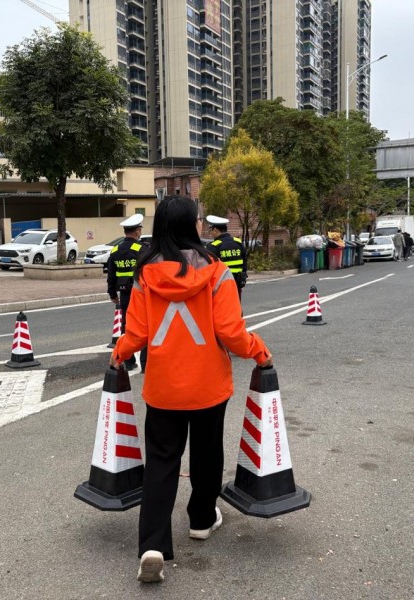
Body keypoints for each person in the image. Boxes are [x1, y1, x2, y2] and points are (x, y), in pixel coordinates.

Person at [109, 196, 273, 584]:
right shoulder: (217, 272)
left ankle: (152, 545)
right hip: (208, 387)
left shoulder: (145, 273)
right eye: (199, 219)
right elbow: (231, 333)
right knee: (206, 453)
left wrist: (119, 355)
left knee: (161, 462)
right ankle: (201, 519)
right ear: (192, 225)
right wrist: (260, 352)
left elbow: (137, 333)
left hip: (163, 387)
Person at [107, 213, 146, 370]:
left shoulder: (115, 250)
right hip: (141, 295)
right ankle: (145, 363)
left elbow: (111, 275)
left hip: (124, 295)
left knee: (126, 326)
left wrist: (112, 294)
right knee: (145, 326)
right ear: (137, 231)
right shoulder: (142, 249)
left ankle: (129, 362)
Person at [204, 215, 248, 300]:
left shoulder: (213, 246)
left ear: (215, 230)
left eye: (211, 230)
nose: (211, 233)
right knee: (236, 306)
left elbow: (209, 269)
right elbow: (244, 263)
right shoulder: (238, 243)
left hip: (221, 286)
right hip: (238, 283)